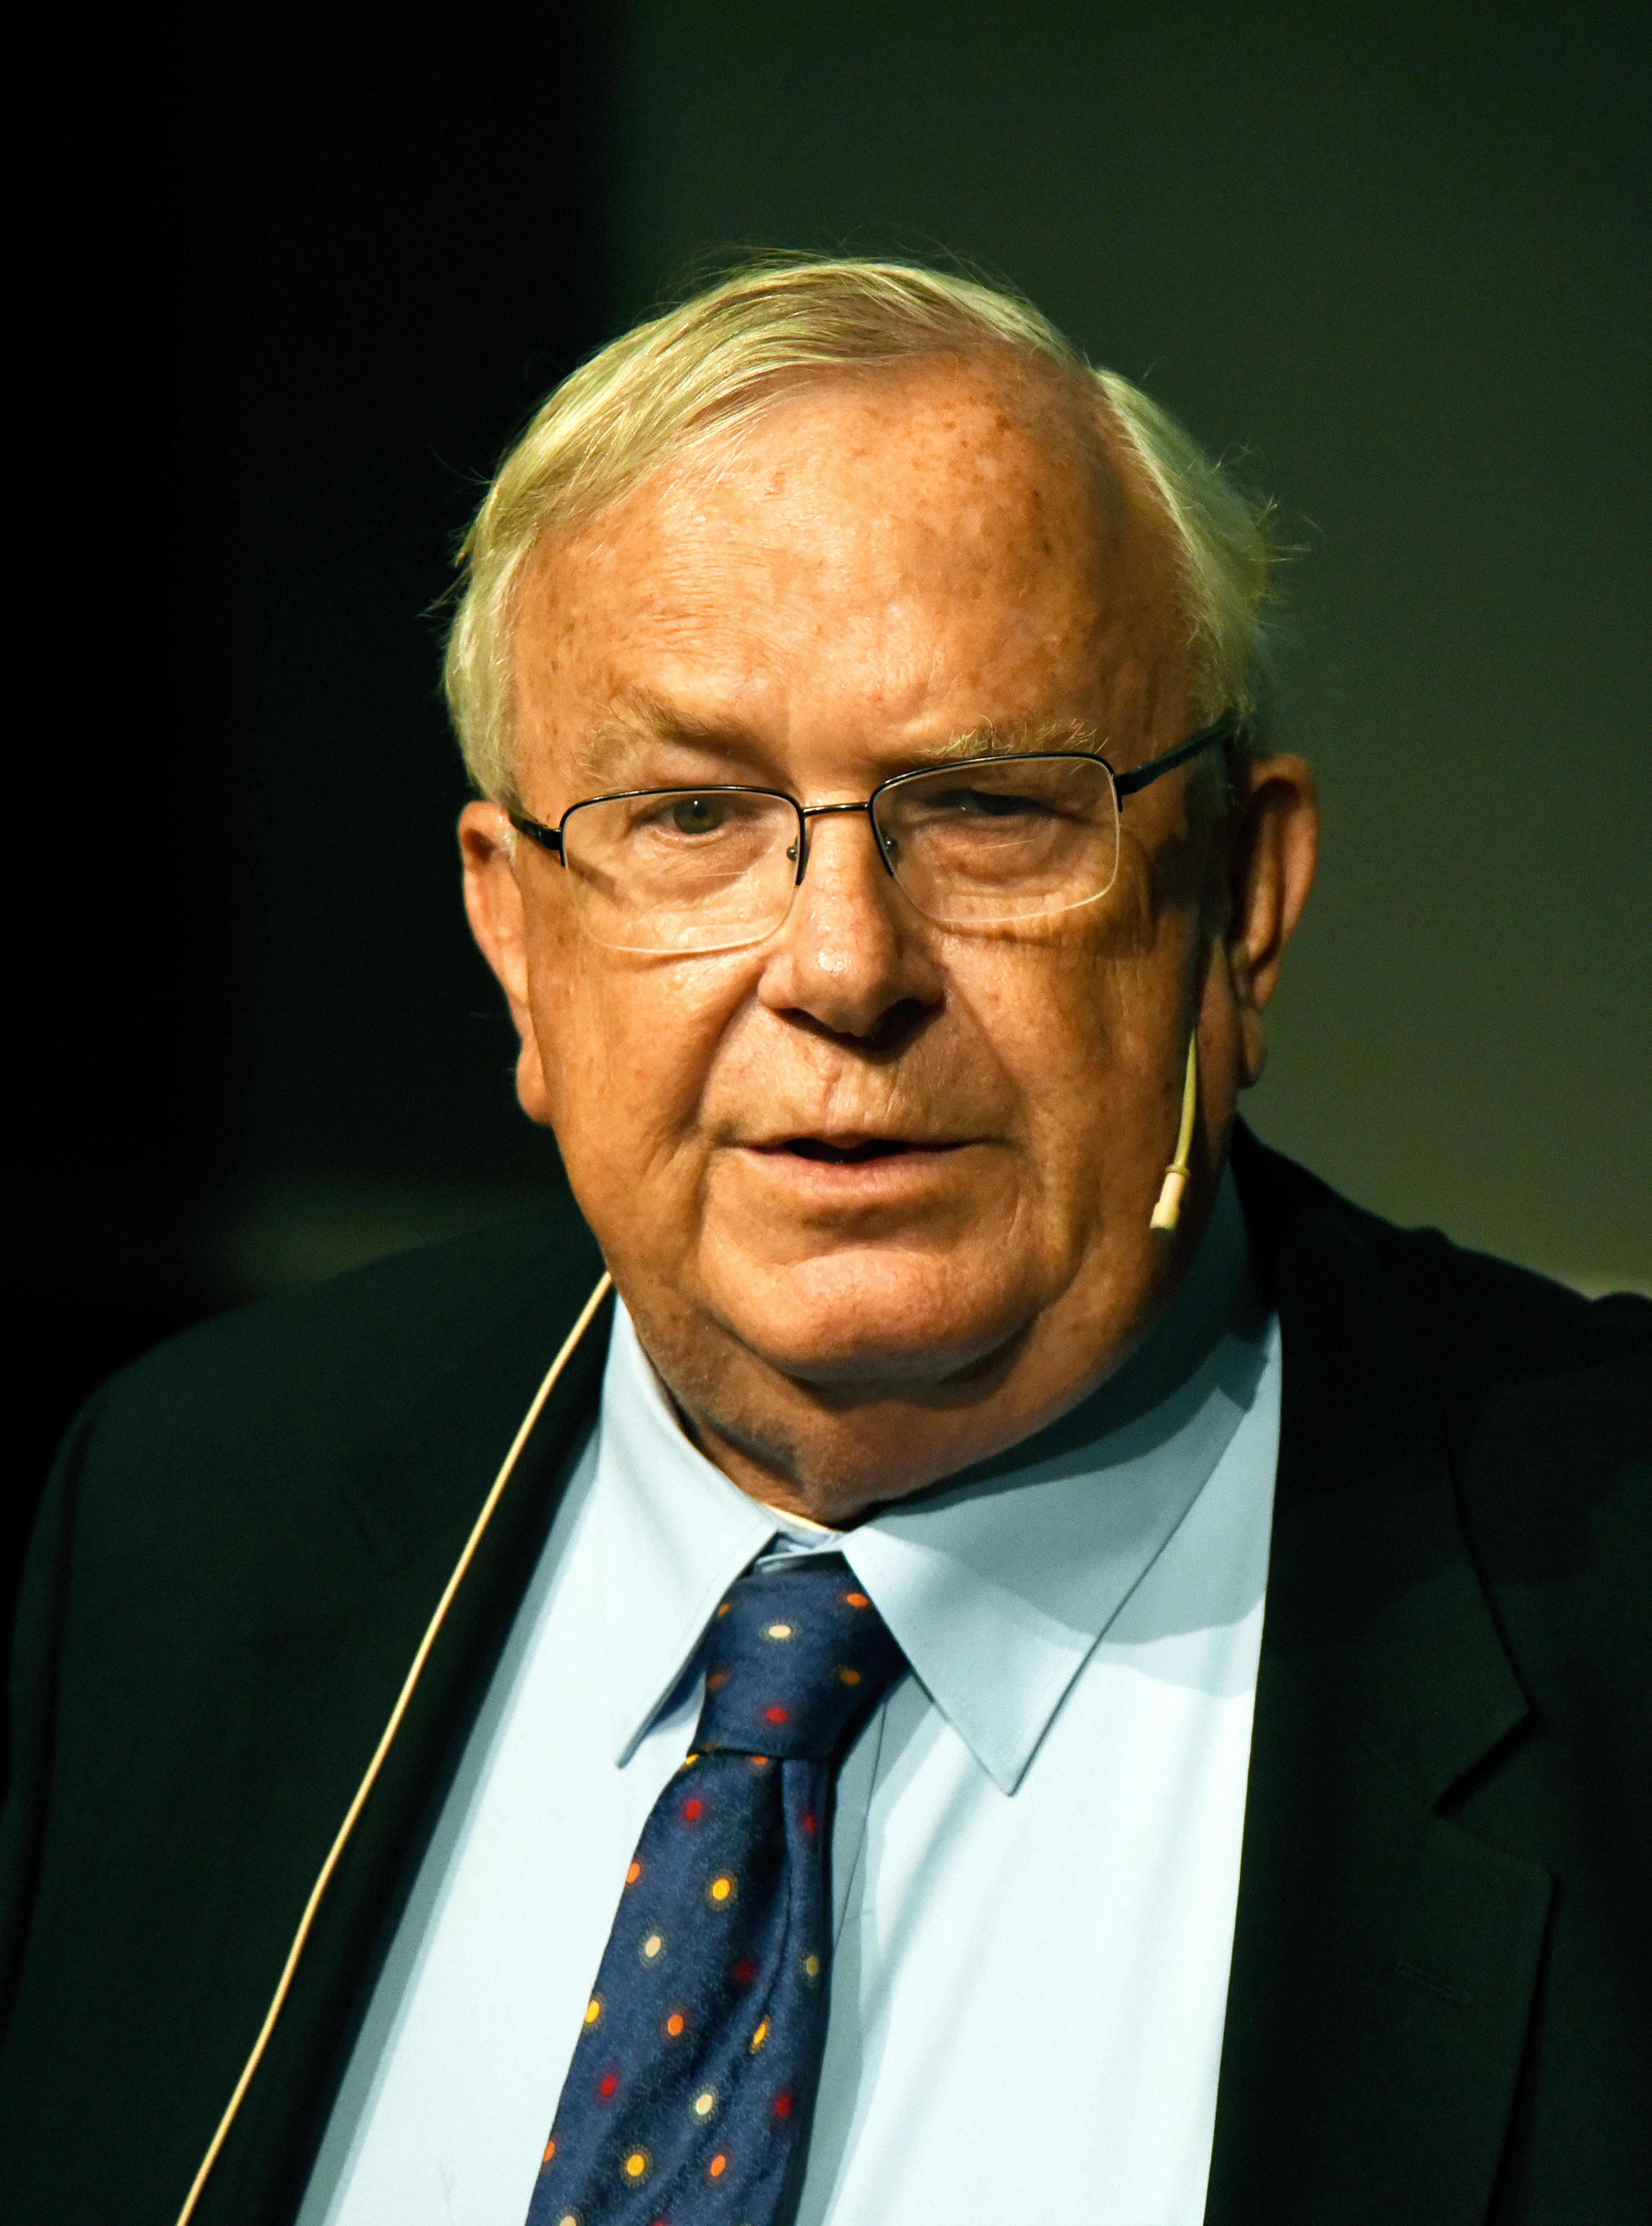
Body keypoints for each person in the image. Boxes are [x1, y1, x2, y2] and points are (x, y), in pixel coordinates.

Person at [1, 261, 1646, 2226]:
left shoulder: (1607, 1602)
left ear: (1239, 905)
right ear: (518, 943)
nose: (846, 967)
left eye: (989, 810)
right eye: (691, 815)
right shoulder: (191, 1512)